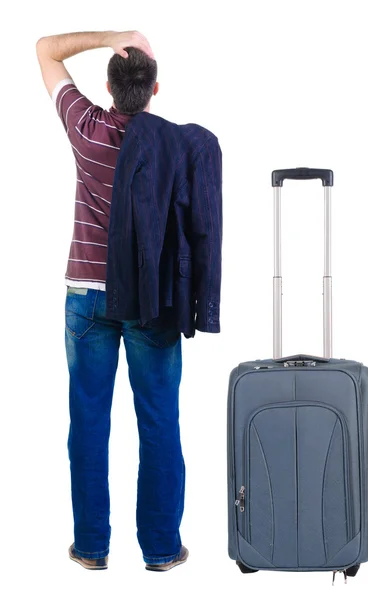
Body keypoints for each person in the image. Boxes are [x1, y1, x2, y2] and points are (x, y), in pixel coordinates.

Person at [36, 30, 189, 572]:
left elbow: (45, 50)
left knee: (88, 424)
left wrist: (112, 37)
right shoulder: (171, 145)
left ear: (106, 87)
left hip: (88, 300)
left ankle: (92, 548)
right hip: (149, 302)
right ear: (154, 91)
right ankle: (162, 550)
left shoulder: (86, 128)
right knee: (159, 423)